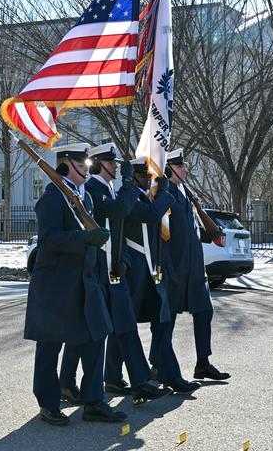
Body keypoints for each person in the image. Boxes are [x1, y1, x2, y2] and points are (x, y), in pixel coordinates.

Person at [24, 143, 127, 425]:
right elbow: (49, 240)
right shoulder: (52, 198)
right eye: (81, 166)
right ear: (65, 164)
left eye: (87, 166)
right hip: (56, 284)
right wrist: (84, 239)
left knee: (95, 339)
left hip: (86, 282)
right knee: (50, 345)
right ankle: (48, 402)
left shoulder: (84, 197)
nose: (86, 171)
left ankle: (94, 401)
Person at [85, 144, 172, 404]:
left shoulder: (111, 189)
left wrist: (121, 258)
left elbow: (118, 230)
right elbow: (121, 211)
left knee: (123, 327)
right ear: (99, 164)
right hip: (101, 269)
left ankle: (135, 381)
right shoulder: (93, 190)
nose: (115, 166)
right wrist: (130, 184)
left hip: (116, 268)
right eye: (111, 163)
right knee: (88, 337)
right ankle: (71, 383)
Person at [122, 157, 201, 393]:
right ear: (134, 176)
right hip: (134, 272)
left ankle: (171, 375)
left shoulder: (146, 196)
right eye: (145, 176)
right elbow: (150, 215)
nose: (150, 181)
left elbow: (156, 235)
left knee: (162, 322)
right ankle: (113, 377)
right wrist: (164, 194)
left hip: (152, 271)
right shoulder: (129, 197)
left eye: (151, 177)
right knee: (122, 330)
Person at [161, 148, 230, 381]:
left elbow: (188, 230)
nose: (185, 169)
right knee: (167, 319)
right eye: (180, 166)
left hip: (195, 268)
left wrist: (209, 234)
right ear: (169, 168)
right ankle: (157, 362)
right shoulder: (164, 193)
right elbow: (164, 234)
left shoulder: (183, 191)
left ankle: (203, 363)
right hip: (176, 267)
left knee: (204, 311)